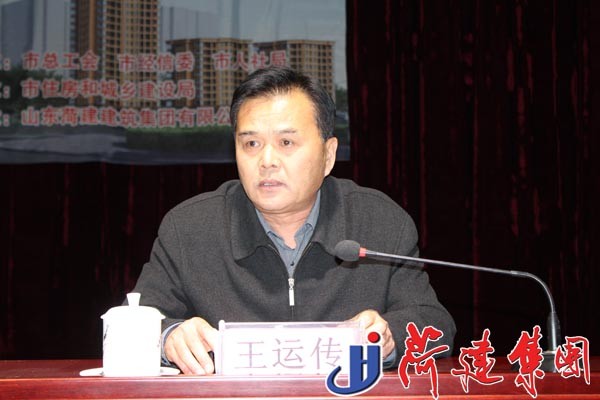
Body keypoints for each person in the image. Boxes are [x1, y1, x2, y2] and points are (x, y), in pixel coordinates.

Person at [131, 66, 455, 375]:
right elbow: (135, 322)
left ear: (328, 155)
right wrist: (170, 337)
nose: (266, 161)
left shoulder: (380, 221)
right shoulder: (189, 228)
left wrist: (390, 335)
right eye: (251, 144)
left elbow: (435, 323)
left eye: (286, 143)